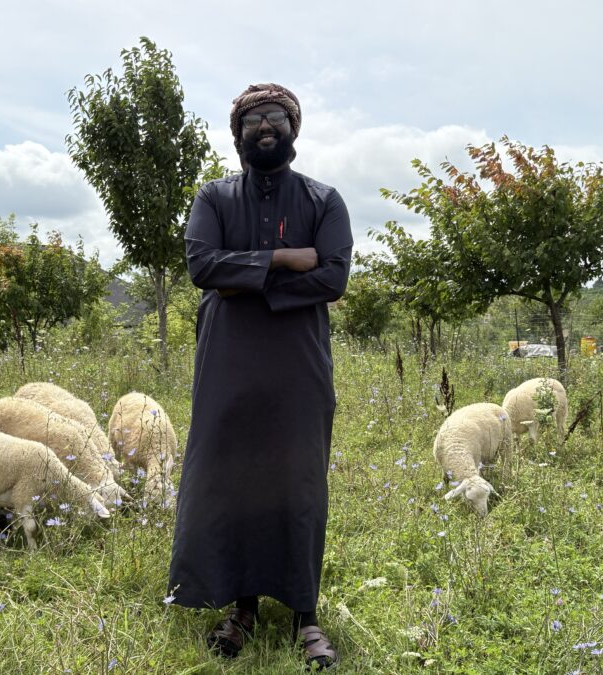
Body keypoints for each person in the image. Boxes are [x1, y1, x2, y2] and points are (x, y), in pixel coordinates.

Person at [168, 83, 352, 670]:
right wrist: (279, 258)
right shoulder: (214, 199)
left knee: (298, 481)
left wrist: (243, 278)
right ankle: (242, 607)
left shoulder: (325, 201)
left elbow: (333, 279)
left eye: (275, 116)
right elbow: (201, 265)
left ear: (294, 127)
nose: (265, 126)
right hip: (229, 364)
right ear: (238, 132)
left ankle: (305, 613)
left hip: (298, 365)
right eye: (253, 119)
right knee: (235, 478)